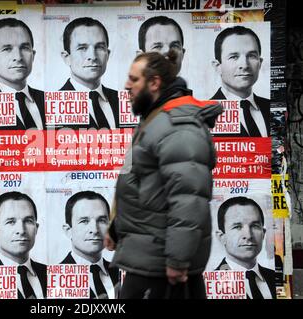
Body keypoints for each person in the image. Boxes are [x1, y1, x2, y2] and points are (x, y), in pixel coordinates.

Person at [105, 51, 222, 299]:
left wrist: (178, 261)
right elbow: (144, 184)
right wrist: (117, 228)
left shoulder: (179, 127)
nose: (127, 85)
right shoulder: (158, 119)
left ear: (154, 83)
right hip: (151, 255)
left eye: (134, 79)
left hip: (162, 264)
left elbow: (188, 200)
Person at [0, 18, 45, 130]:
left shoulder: (48, 101)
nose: (18, 57)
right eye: (7, 49)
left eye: (24, 48)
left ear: (33, 55)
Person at [60, 17, 119, 129]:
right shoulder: (52, 105)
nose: (93, 56)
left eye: (100, 47)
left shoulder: (124, 101)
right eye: (82, 48)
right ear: (67, 57)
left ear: (108, 54)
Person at [211, 26, 269, 137]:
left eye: (252, 56)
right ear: (217, 66)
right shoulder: (205, 115)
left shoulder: (269, 106)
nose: (245, 65)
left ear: (260, 63)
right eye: (234, 57)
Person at [0, 191, 47, 299]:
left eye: (28, 221)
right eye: (11, 222)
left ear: (36, 228)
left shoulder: (53, 275)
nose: (21, 230)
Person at [61, 191, 119, 299]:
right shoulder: (54, 278)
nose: (94, 230)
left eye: (101, 220)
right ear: (68, 230)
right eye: (84, 221)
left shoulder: (121, 272)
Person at [215, 196, 276, 299]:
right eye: (237, 227)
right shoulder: (211, 283)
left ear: (263, 234)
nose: (248, 235)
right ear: (222, 237)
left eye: (255, 226)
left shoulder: (276, 277)